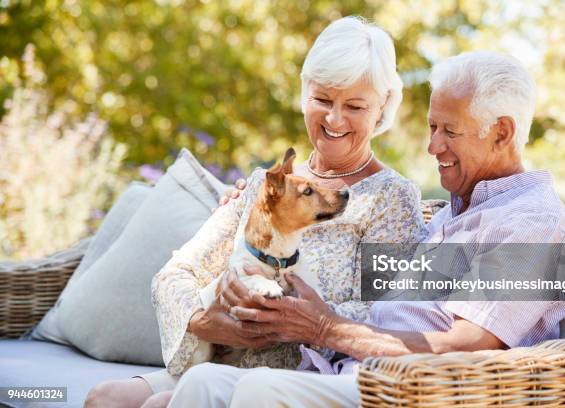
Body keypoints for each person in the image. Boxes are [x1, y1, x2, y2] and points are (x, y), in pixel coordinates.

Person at [166, 51, 565, 407]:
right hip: (350, 371)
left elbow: (465, 344)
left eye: (450, 131)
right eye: (433, 128)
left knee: (261, 391)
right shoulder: (459, 211)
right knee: (203, 382)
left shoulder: (532, 222)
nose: (433, 147)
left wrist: (325, 327)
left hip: (409, 390)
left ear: (502, 132)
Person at [84, 16, 426, 408]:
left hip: (300, 373)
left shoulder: (391, 198)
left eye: (354, 105)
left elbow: (386, 312)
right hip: (226, 353)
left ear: (381, 107)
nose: (334, 119)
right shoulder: (265, 186)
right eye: (322, 100)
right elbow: (175, 275)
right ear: (304, 93)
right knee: (104, 398)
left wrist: (292, 315)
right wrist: (206, 321)